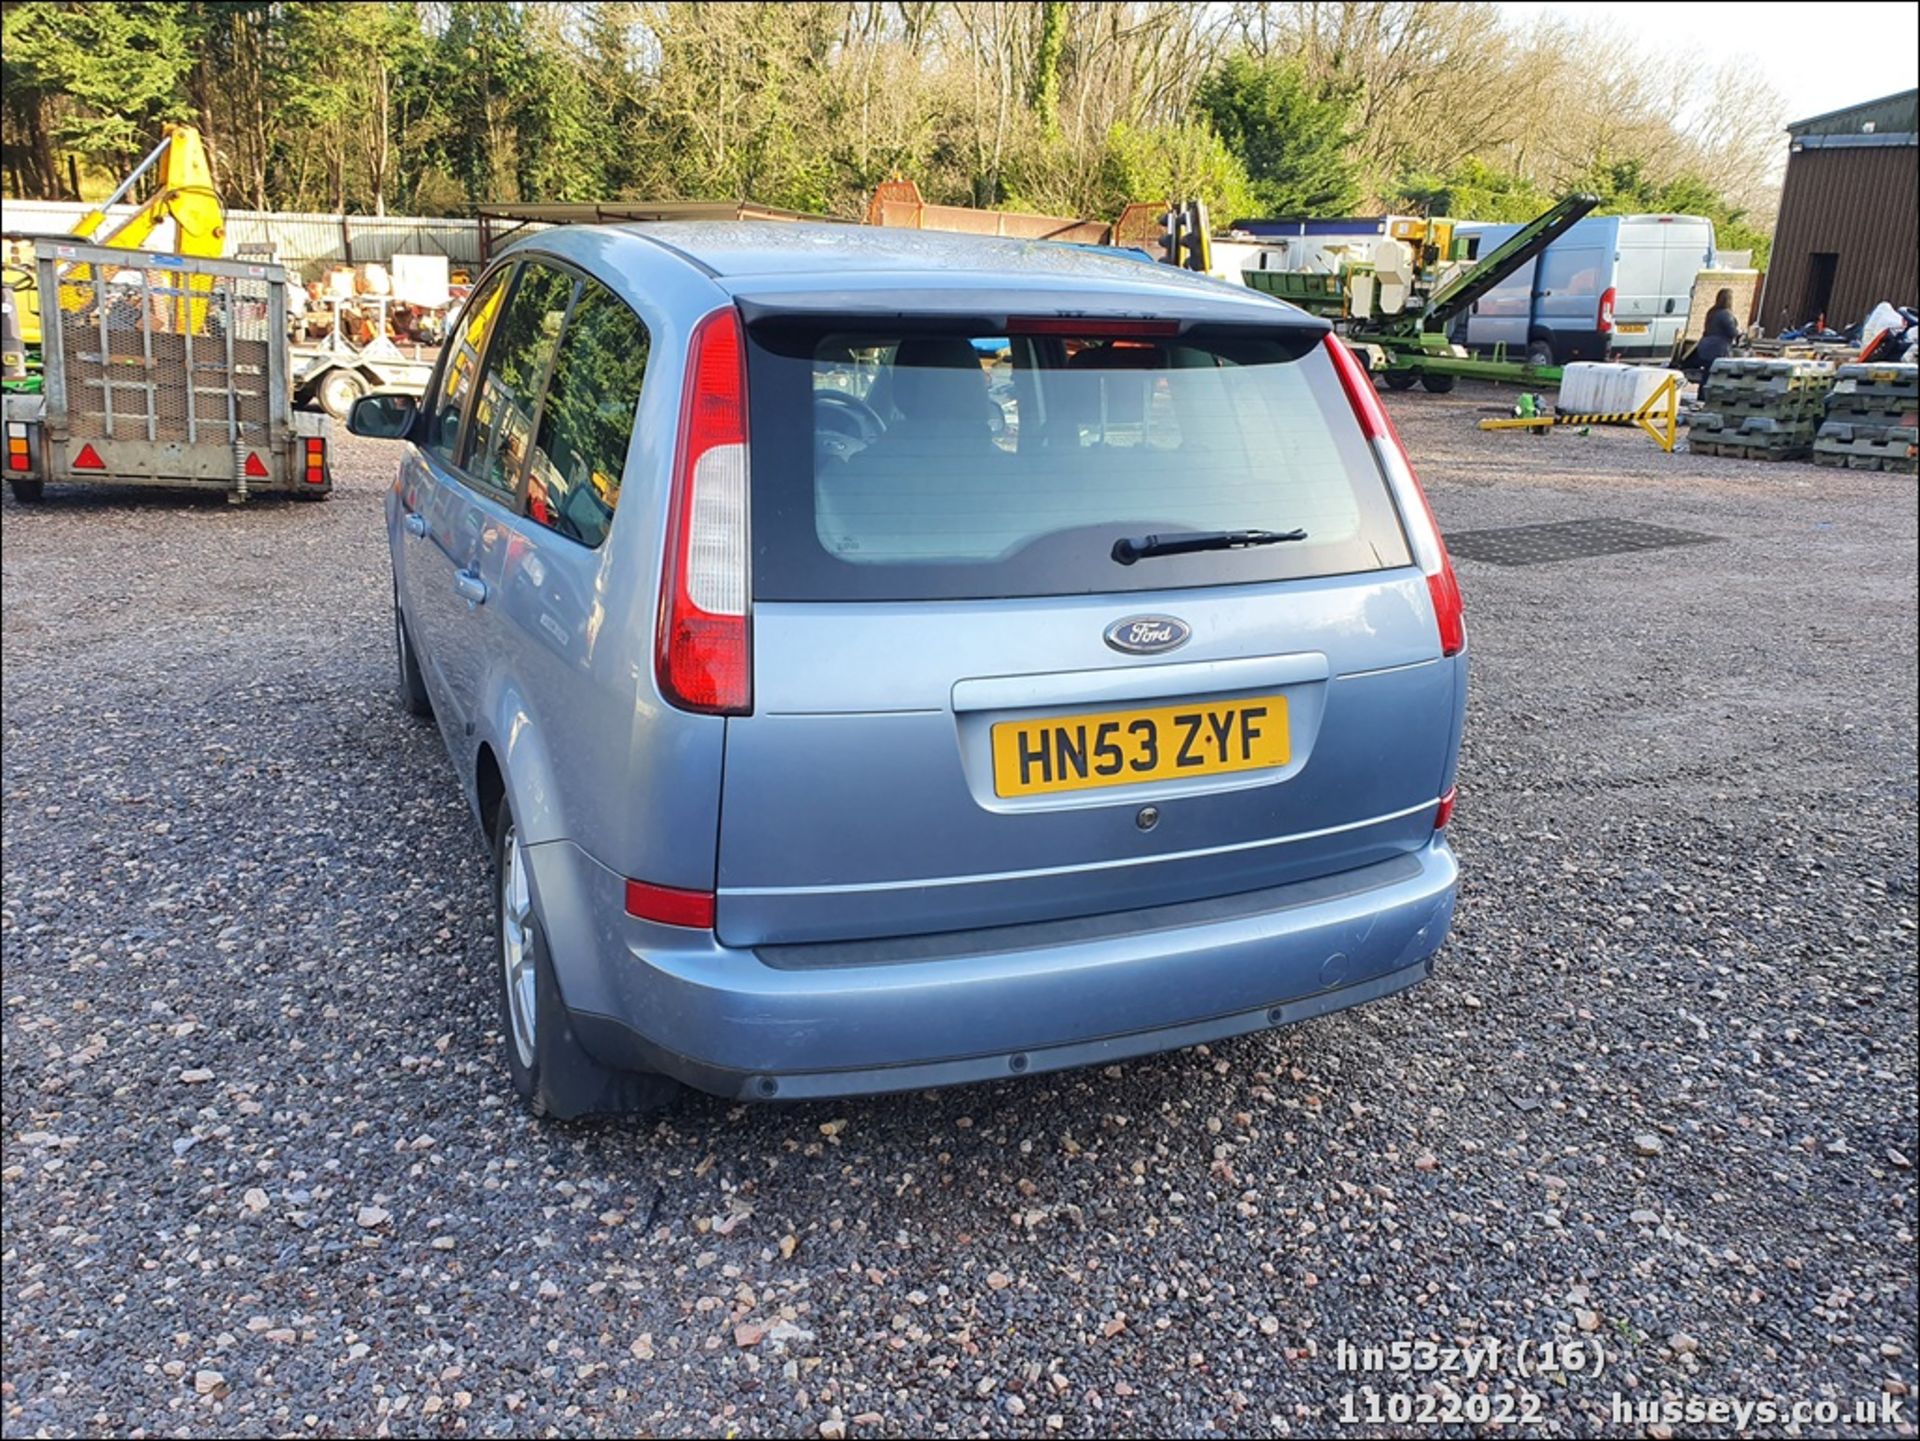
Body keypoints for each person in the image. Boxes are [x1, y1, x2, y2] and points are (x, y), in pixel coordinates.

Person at [1692, 288, 1740, 377]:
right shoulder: (1725, 314)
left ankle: (1702, 390)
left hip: (1704, 346)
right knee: (1716, 375)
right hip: (1718, 349)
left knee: (1707, 374)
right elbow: (1732, 332)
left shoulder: (1712, 311)